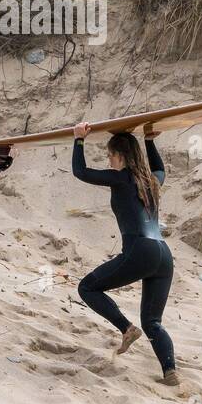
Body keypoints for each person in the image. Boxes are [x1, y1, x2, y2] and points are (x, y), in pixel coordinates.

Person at [71, 123, 179, 386]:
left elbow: (80, 172)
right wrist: (150, 141)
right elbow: (161, 170)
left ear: (120, 156)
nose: (109, 160)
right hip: (164, 256)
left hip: (140, 250)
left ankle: (127, 328)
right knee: (153, 321)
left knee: (87, 288)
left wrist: (79, 140)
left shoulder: (121, 178)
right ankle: (170, 372)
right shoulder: (152, 182)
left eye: (110, 156)